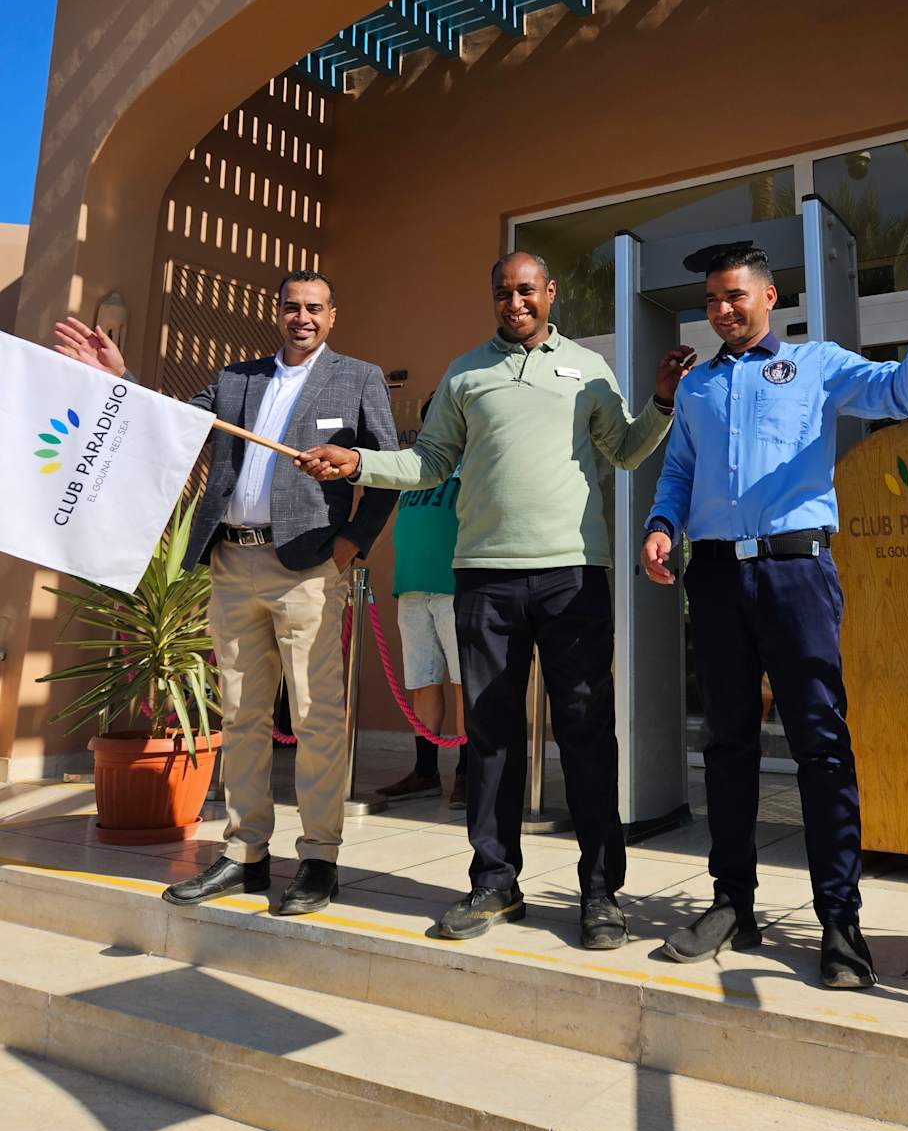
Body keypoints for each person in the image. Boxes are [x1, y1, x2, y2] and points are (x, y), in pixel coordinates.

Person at [296, 250, 690, 950]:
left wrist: (661, 401)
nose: (515, 302)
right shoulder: (464, 373)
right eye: (503, 292)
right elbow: (429, 463)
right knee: (491, 739)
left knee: (586, 736)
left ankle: (600, 893)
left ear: (551, 292)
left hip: (572, 574)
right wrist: (359, 463)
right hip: (482, 576)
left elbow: (627, 451)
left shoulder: (588, 370)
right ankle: (494, 884)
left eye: (527, 290)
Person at [639, 246, 908, 988]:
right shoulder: (696, 387)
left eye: (734, 296)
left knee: (820, 747)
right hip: (716, 577)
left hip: (796, 573)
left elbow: (899, 394)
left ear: (769, 296)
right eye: (711, 300)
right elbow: (679, 470)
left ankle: (839, 921)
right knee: (726, 745)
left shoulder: (816, 364)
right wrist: (662, 524)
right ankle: (732, 904)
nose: (721, 310)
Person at [53, 271, 397, 916]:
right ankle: (245, 853)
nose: (302, 317)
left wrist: (352, 544)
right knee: (241, 715)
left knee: (316, 716)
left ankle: (319, 858)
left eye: (314, 308)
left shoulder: (358, 378)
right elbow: (174, 426)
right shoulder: (237, 379)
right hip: (233, 561)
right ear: (278, 312)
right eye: (292, 307)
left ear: (332, 316)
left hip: (308, 566)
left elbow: (384, 469)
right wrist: (121, 379)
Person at [378, 395, 467, 808]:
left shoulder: (476, 464)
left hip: (457, 587)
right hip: (412, 587)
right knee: (422, 681)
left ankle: (468, 772)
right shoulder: (415, 467)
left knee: (465, 683)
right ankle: (426, 771)